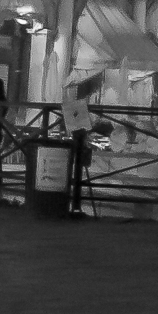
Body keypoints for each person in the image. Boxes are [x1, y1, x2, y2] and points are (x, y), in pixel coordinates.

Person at [62, 73, 101, 215]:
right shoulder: (78, 103)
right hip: (78, 133)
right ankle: (74, 201)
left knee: (75, 167)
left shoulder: (75, 103)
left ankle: (75, 200)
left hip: (78, 133)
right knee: (74, 168)